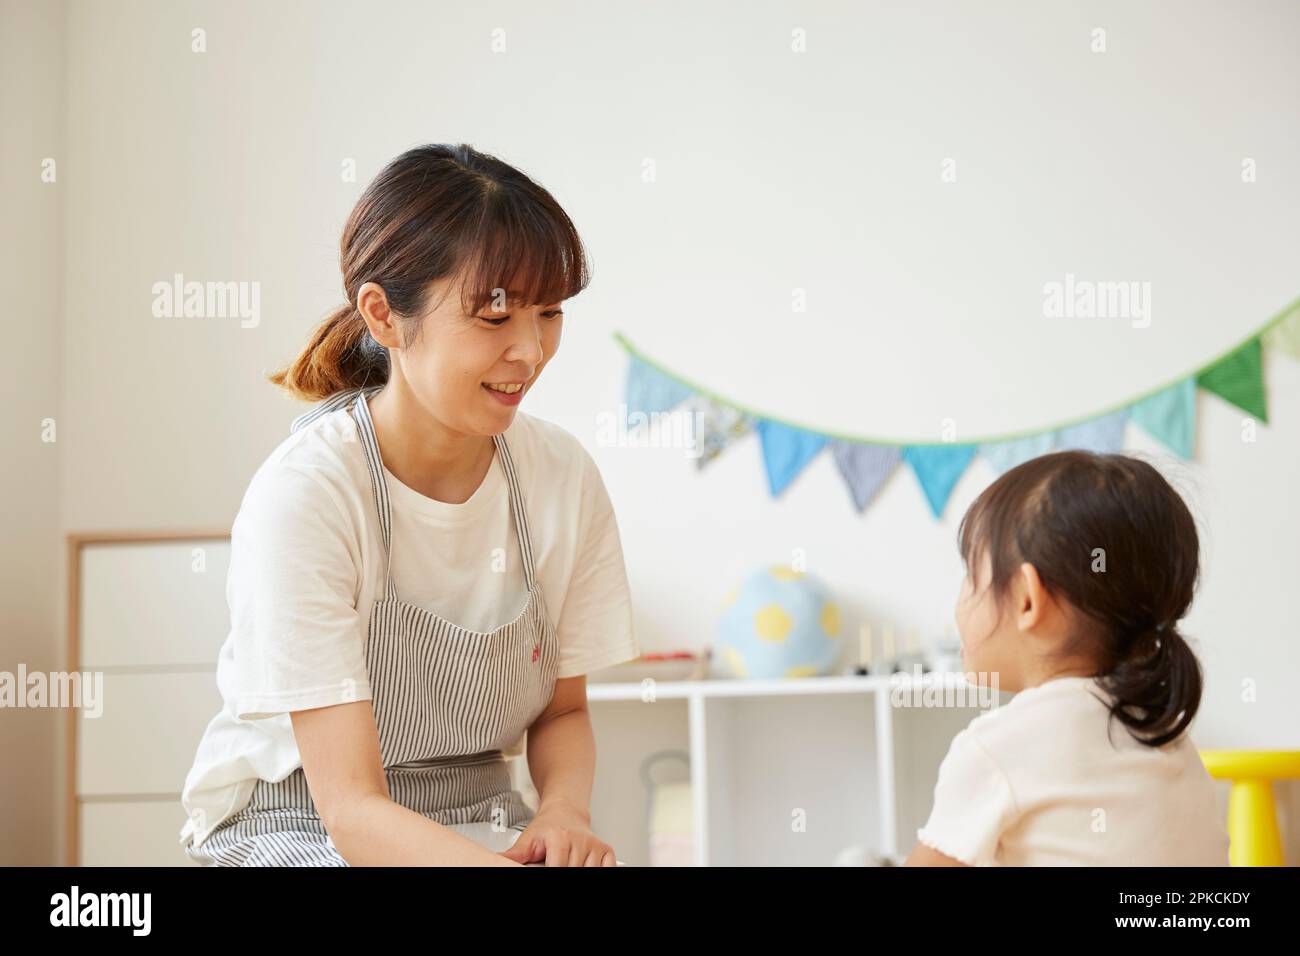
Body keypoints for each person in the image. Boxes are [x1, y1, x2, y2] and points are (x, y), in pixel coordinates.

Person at [179, 144, 639, 866]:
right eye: (494, 319)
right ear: (384, 315)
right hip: (301, 825)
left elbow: (564, 711)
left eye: (548, 313)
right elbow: (353, 811)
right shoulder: (309, 494)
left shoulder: (561, 478)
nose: (531, 350)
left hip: (482, 818)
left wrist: (560, 813)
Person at [905, 451, 1230, 866]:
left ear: (1027, 599)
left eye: (971, 576)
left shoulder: (993, 748)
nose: (960, 600)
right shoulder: (1167, 737)